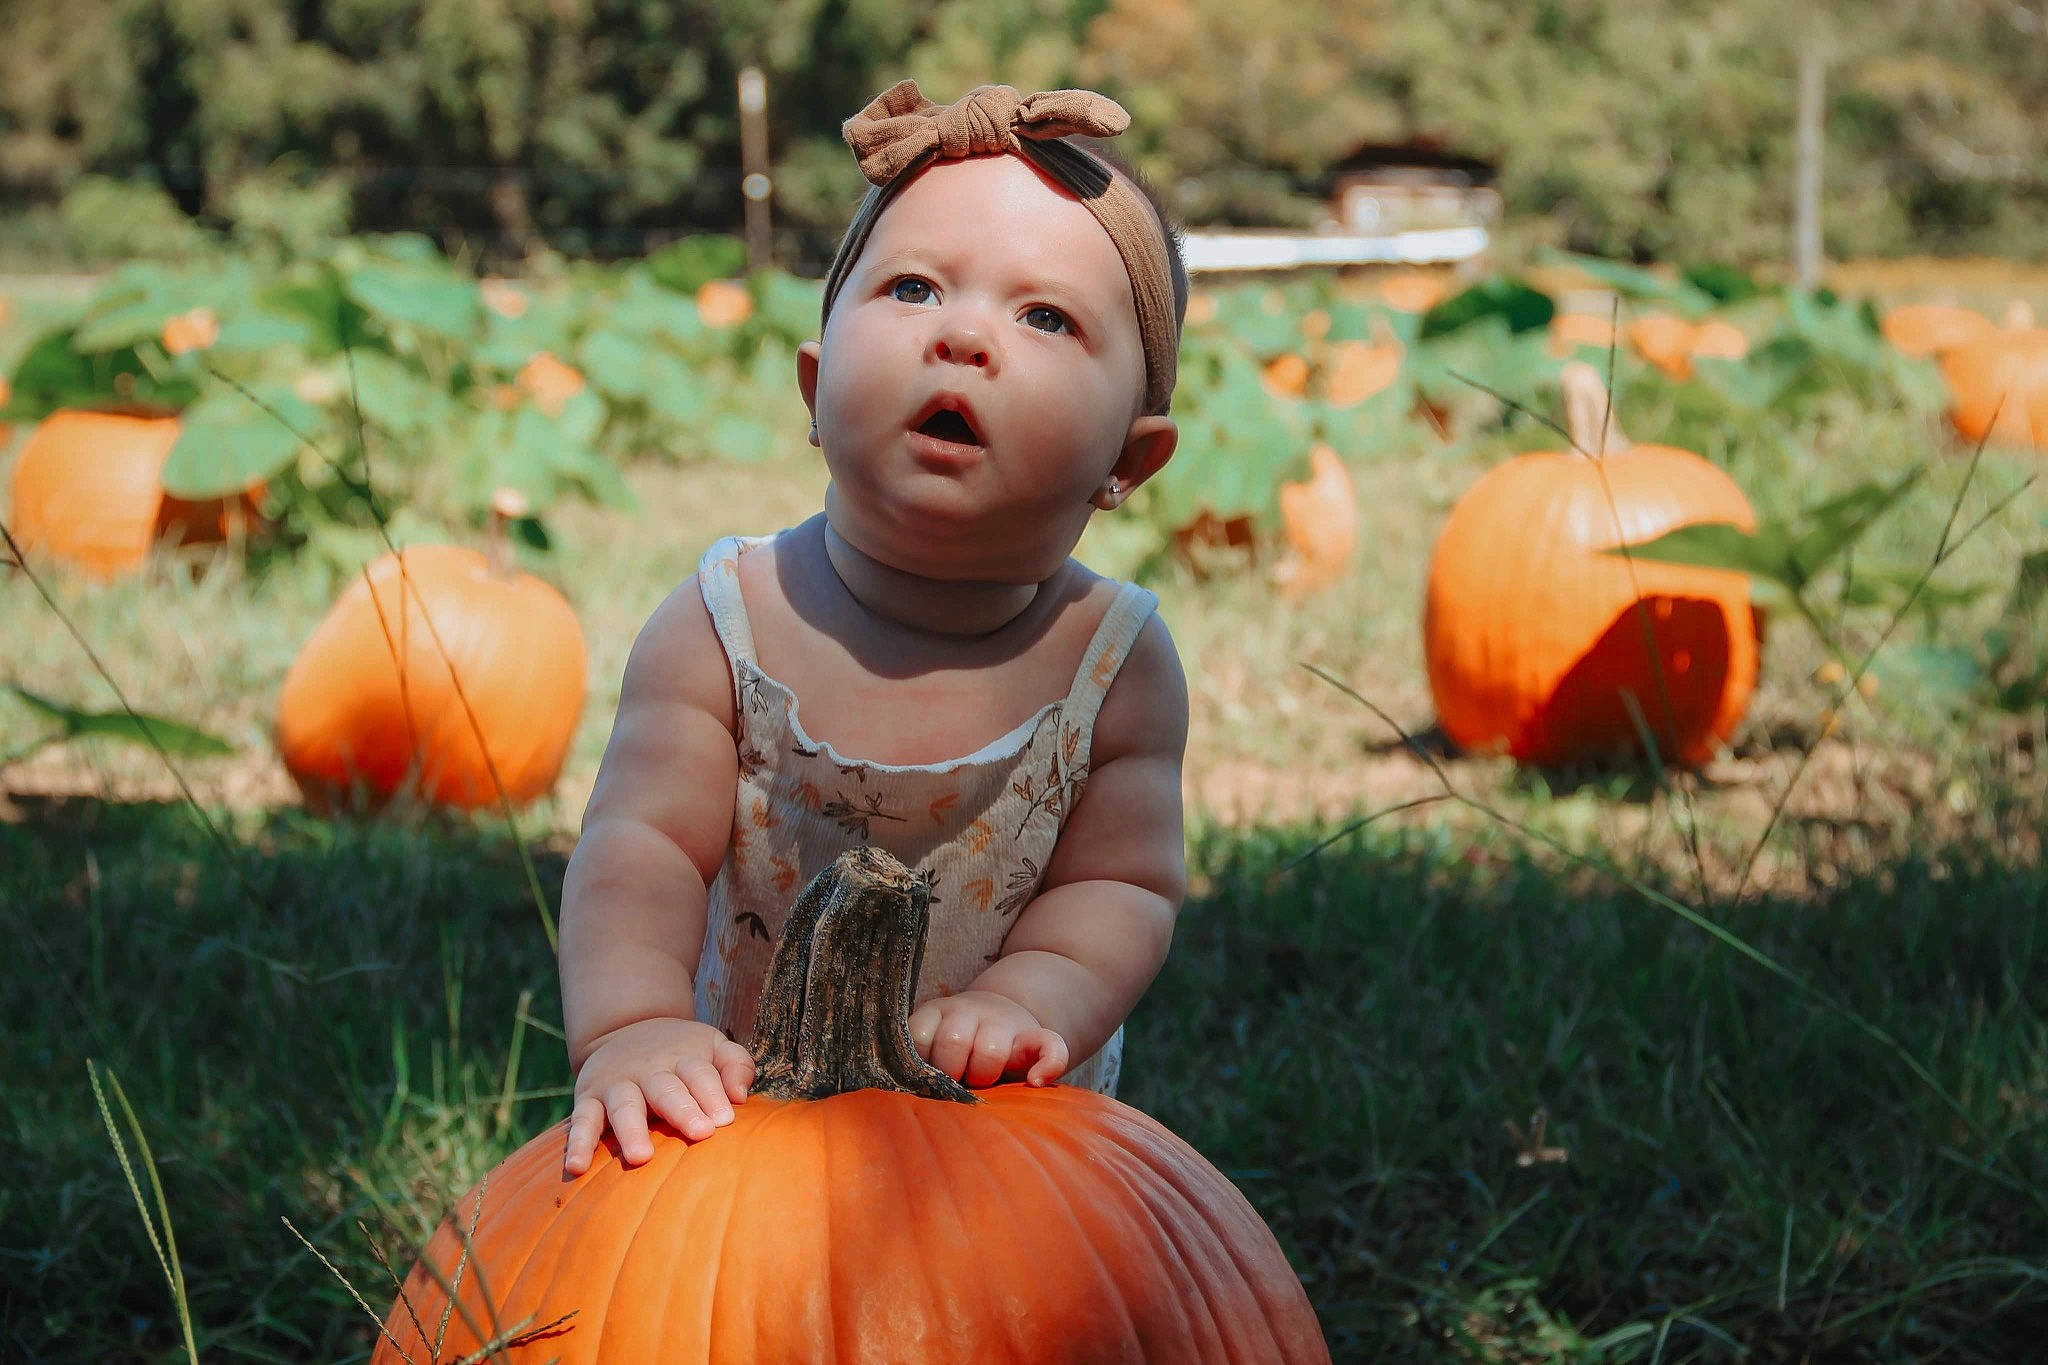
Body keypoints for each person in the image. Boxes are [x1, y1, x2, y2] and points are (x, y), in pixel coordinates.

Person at [557, 79, 1192, 1176]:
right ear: (813, 389)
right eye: (911, 288)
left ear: (1126, 463)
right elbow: (638, 846)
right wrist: (631, 1028)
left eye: (1043, 316)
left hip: (999, 1141)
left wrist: (1025, 996)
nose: (961, 337)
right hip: (730, 1130)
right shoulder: (721, 627)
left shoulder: (1117, 664)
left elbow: (1120, 886)